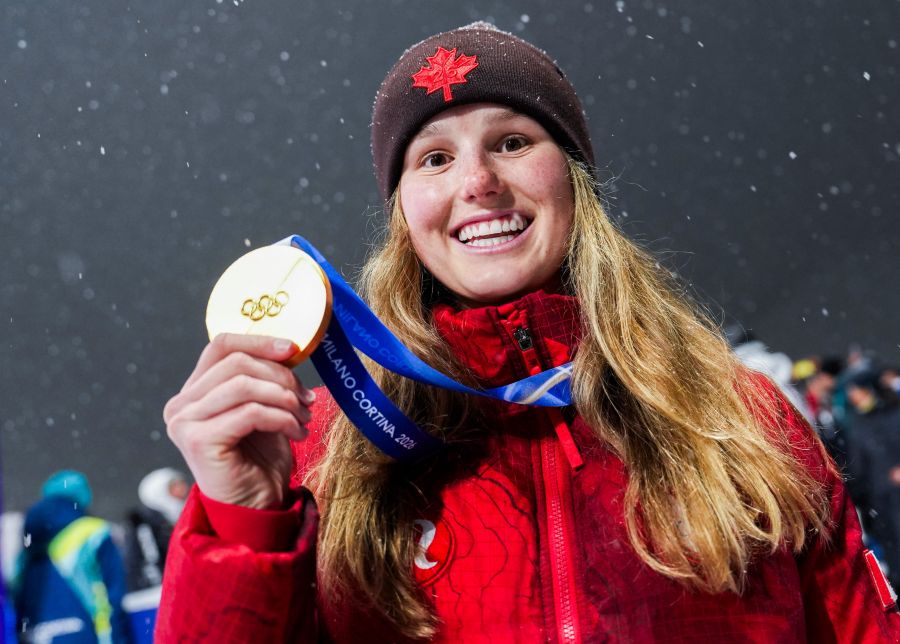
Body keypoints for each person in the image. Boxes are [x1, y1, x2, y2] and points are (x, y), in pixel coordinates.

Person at [157, 23, 899, 642]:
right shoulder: (320, 449)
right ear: (403, 214)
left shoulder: (742, 418)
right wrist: (241, 524)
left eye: (511, 142)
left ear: (574, 179)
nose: (477, 181)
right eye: (435, 158)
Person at [13, 470, 131, 643]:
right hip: (94, 634)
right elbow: (114, 590)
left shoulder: (28, 544)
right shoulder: (94, 533)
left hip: (39, 634)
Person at [844, 367, 900, 590]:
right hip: (881, 502)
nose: (852, 396)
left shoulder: (878, 419)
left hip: (887, 500)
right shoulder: (859, 421)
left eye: (855, 390)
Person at [123, 468, 189, 592]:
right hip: (159, 591)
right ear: (159, 492)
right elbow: (151, 559)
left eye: (181, 483)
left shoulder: (183, 514)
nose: (182, 489)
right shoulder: (144, 522)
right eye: (174, 486)